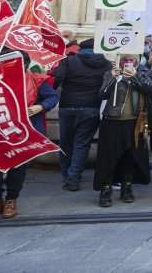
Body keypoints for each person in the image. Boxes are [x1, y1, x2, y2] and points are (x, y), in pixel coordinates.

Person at [0, 56, 59, 220]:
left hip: (21, 131)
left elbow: (52, 97)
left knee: (17, 164)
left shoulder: (35, 79)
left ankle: (11, 200)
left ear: (26, 64)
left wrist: (40, 106)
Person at [49, 38, 111, 191]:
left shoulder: (70, 61)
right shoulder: (106, 64)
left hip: (68, 106)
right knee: (81, 144)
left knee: (65, 142)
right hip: (91, 107)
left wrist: (52, 94)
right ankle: (73, 178)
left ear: (80, 49)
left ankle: (67, 175)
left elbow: (55, 78)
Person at [93, 53, 152, 207]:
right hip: (112, 121)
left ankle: (127, 186)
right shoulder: (111, 73)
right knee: (109, 157)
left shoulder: (142, 72)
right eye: (125, 60)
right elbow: (102, 94)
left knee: (130, 155)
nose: (128, 63)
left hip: (134, 121)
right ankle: (105, 189)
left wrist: (135, 77)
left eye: (132, 60)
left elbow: (150, 89)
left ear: (137, 61)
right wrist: (113, 79)